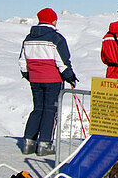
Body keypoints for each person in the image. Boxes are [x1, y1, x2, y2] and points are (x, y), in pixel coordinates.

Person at [19, 8, 77, 156]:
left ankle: (28, 143)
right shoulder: (56, 38)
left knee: (38, 108)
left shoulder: (28, 38)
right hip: (53, 79)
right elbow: (62, 62)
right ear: (53, 21)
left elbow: (22, 61)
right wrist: (69, 76)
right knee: (50, 110)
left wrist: (29, 75)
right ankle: (44, 144)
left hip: (35, 79)